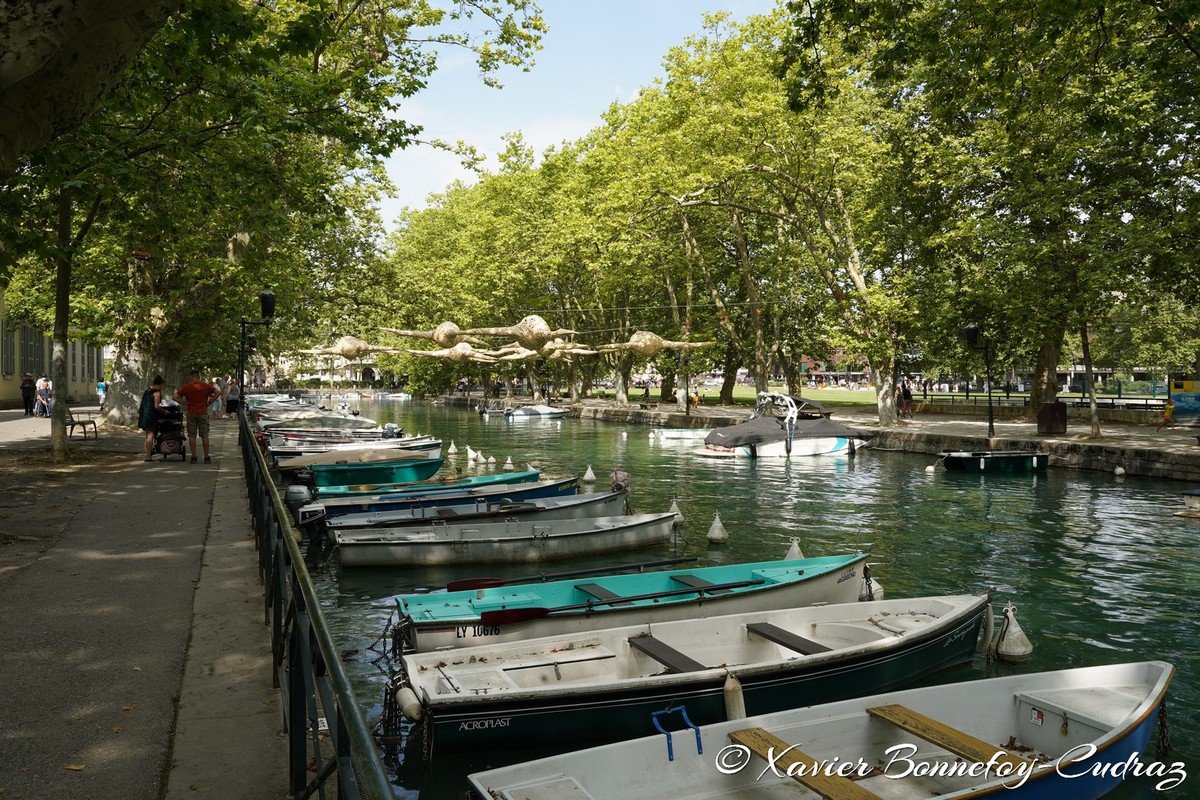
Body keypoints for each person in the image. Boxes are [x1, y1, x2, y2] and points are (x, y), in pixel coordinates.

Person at [175, 370, 220, 463]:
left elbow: (175, 397)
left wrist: (184, 402)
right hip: (203, 412)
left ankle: (194, 457)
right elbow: (218, 392)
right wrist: (210, 402)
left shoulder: (187, 387)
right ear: (199, 376)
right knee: (205, 436)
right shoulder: (205, 386)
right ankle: (207, 457)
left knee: (192, 435)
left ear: (191, 377)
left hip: (191, 412)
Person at [139, 375, 166, 461]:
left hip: (144, 414)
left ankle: (147, 454)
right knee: (150, 435)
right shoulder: (157, 393)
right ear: (160, 384)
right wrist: (165, 412)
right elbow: (156, 406)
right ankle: (148, 457)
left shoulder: (147, 391)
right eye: (162, 385)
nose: (162, 387)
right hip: (151, 415)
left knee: (147, 436)